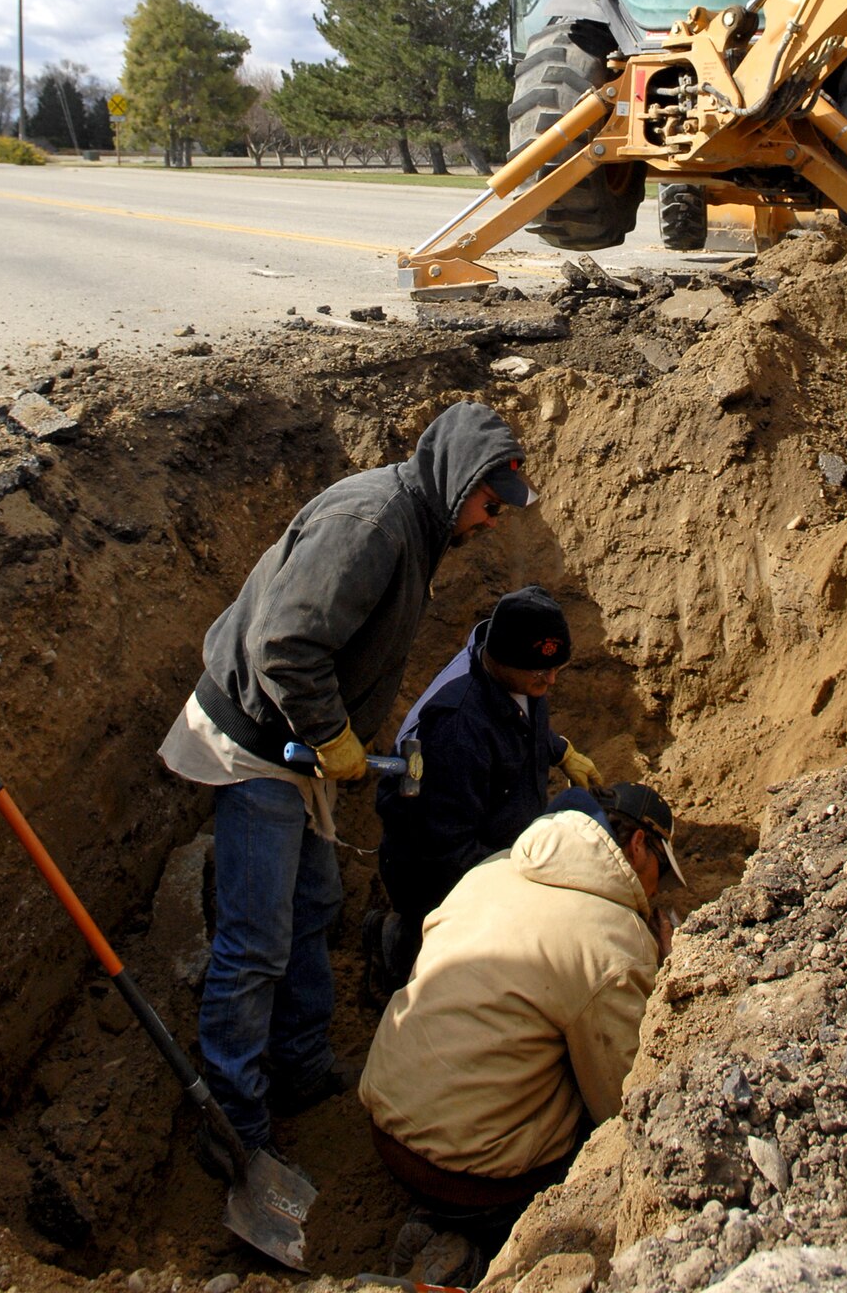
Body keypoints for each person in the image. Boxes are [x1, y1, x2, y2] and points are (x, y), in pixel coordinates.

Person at [158, 399, 536, 1167]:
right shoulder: (371, 525)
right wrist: (332, 734)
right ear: (458, 481)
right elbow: (286, 644)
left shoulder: (421, 523)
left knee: (318, 905)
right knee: (254, 940)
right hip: (259, 743)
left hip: (296, 742)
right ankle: (234, 1124)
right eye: (490, 505)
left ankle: (298, 1067)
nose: (493, 521)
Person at [361, 783, 683, 1280]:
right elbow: (623, 1103)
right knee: (591, 1124)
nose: (658, 889)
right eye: (661, 870)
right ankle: (474, 1250)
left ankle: (434, 1221)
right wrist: (665, 979)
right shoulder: (614, 942)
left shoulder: (492, 871)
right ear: (638, 845)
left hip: (385, 1124)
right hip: (470, 1176)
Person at [372, 584, 601, 991]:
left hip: (498, 838)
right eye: (539, 671)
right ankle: (399, 948)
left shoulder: (515, 676)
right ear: (501, 658)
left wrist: (557, 749)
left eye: (556, 669)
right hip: (440, 876)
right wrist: (524, 885)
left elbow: (517, 722)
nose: (550, 679)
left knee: (581, 807)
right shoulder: (456, 728)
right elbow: (446, 854)